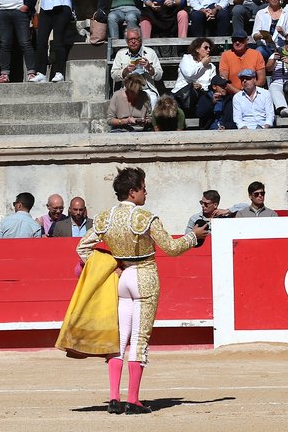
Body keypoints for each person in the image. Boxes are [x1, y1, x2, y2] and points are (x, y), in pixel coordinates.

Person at [60, 167, 206, 414]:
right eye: (143, 188)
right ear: (132, 192)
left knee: (118, 340)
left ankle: (114, 399)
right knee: (139, 340)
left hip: (122, 278)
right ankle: (134, 400)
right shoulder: (146, 217)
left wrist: (112, 265)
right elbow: (171, 248)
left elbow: (82, 248)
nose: (146, 193)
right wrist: (194, 236)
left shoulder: (105, 218)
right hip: (144, 276)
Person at [31, 0, 76, 83]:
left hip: (62, 7)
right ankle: (41, 72)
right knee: (41, 41)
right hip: (46, 8)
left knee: (58, 40)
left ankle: (59, 72)